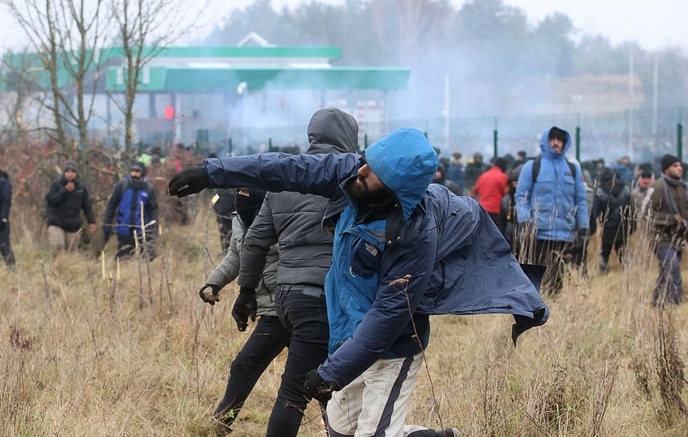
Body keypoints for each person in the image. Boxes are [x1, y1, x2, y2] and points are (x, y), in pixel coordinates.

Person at [169, 127, 549, 437]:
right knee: (338, 427)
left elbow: (389, 314)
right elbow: (286, 168)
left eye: (372, 171)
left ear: (394, 188)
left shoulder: (417, 235)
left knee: (373, 435)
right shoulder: (352, 172)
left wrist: (332, 372)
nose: (360, 171)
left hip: (394, 346)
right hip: (348, 335)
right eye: (366, 161)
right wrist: (212, 172)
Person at [233, 107, 358, 436]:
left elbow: (254, 242)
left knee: (324, 387)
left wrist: (246, 292)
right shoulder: (352, 181)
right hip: (327, 299)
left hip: (286, 297)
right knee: (297, 394)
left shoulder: (284, 182)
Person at [199, 188, 289, 436]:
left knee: (246, 365)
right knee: (312, 373)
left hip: (287, 305)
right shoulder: (240, 216)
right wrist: (214, 282)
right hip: (268, 306)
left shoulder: (281, 212)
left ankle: (220, 425)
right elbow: (237, 254)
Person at [514, 127, 589, 294]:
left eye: (560, 139)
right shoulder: (532, 166)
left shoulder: (573, 169)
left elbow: (581, 200)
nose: (556, 143)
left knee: (557, 276)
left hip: (565, 233)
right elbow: (521, 197)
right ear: (546, 141)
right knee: (537, 276)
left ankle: (554, 308)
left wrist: (583, 227)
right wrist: (525, 221)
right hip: (538, 232)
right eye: (553, 139)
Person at [645, 154, 687, 306]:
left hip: (679, 236)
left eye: (680, 165)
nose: (679, 168)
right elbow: (646, 212)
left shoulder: (683, 188)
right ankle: (676, 301)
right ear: (666, 169)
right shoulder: (657, 187)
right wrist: (670, 219)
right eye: (675, 166)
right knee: (671, 265)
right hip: (660, 237)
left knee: (666, 270)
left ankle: (657, 302)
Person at [102, 161, 159, 260]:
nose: (134, 174)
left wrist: (152, 229)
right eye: (132, 171)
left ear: (142, 173)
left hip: (142, 230)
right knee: (123, 258)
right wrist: (107, 224)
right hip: (124, 229)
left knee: (145, 260)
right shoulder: (122, 185)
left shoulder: (148, 188)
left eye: (137, 171)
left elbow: (153, 210)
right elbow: (111, 206)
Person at [43, 160, 97, 253]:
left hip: (73, 225)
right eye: (67, 171)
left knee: (71, 252)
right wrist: (65, 190)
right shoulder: (56, 184)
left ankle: (68, 267)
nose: (70, 174)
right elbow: (51, 200)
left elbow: (87, 206)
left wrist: (91, 221)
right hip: (56, 223)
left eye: (73, 172)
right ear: (64, 173)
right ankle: (57, 266)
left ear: (76, 173)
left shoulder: (81, 188)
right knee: (58, 247)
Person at [591, 167, 634, 273]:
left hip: (608, 226)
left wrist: (593, 225)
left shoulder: (600, 191)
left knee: (605, 251)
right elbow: (632, 209)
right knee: (622, 248)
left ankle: (604, 271)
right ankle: (629, 271)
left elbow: (595, 211)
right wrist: (633, 225)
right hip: (623, 225)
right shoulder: (625, 189)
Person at [470, 157, 509, 229]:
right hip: (496, 210)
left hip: (482, 209)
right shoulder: (503, 177)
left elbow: (474, 191)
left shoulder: (483, 176)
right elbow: (505, 192)